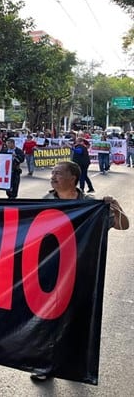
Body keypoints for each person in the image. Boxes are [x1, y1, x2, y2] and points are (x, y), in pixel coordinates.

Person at [30, 160, 129, 381]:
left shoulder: (91, 206)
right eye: (52, 173)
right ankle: (46, 365)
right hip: (49, 273)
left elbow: (123, 225)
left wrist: (115, 206)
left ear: (74, 177)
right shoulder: (43, 202)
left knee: (77, 320)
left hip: (81, 273)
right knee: (48, 321)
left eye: (58, 173)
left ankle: (75, 365)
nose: (53, 177)